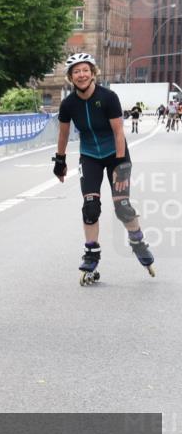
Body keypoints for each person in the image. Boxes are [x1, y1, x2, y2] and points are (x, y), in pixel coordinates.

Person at [52, 53, 154, 283]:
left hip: (116, 154)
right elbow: (64, 133)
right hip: (90, 156)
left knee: (123, 207)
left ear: (93, 72)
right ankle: (91, 254)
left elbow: (119, 132)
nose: (81, 75)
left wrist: (120, 163)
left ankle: (138, 242)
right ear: (70, 77)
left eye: (85, 70)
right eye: (76, 71)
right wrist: (59, 160)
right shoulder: (68, 104)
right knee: (90, 207)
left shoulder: (108, 97)